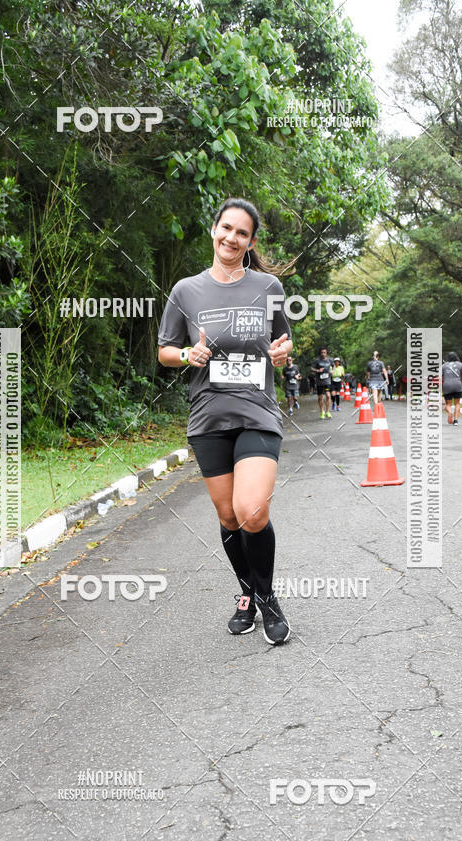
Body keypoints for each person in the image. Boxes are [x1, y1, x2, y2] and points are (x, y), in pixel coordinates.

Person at [157, 197, 292, 645]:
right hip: (208, 416)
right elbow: (165, 351)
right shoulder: (186, 291)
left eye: (242, 233)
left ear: (250, 243)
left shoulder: (268, 286)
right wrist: (186, 354)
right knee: (229, 515)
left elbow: (283, 340)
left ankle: (268, 599)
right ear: (213, 230)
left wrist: (282, 352)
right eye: (227, 228)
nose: (232, 238)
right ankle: (246, 594)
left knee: (251, 510)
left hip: (257, 412)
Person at [441, 351, 462, 425]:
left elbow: (440, 377)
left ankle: (450, 412)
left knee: (448, 404)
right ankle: (456, 421)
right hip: (458, 385)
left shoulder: (444, 366)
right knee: (457, 403)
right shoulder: (460, 365)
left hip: (447, 386)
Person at [311, 347, 333, 419]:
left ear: (326, 353)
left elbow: (333, 366)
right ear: (320, 353)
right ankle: (321, 411)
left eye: (324, 352)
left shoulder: (329, 360)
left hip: (327, 381)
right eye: (322, 352)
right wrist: (317, 370)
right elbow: (311, 368)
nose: (323, 354)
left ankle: (328, 411)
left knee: (328, 396)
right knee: (320, 397)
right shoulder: (317, 361)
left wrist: (332, 371)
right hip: (319, 382)